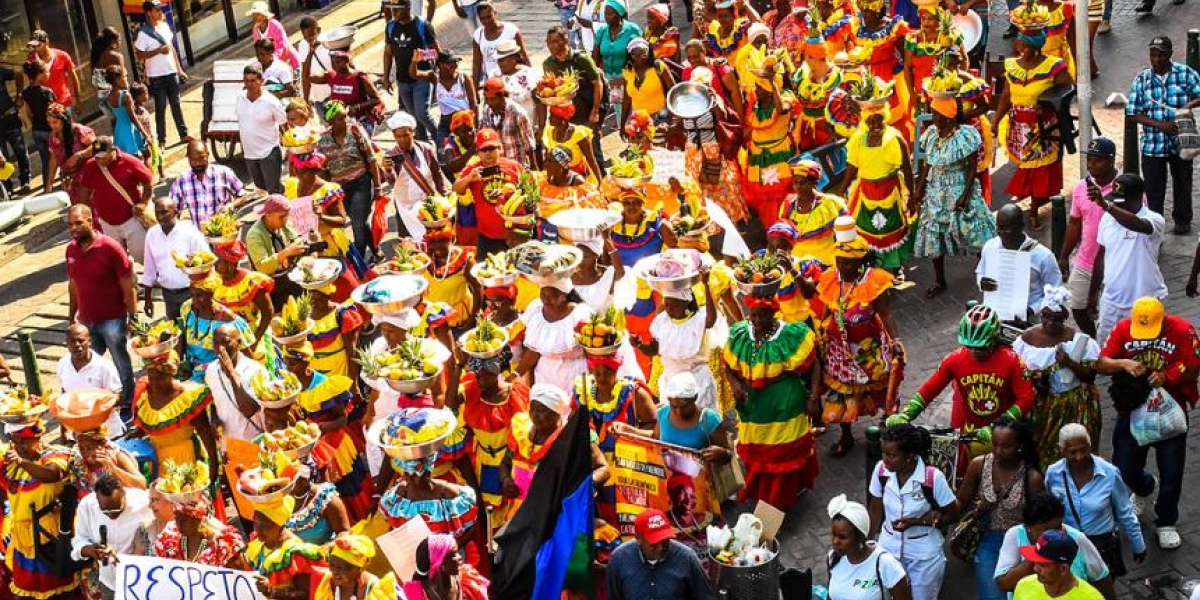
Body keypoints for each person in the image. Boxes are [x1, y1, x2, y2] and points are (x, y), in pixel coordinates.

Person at [1096, 297, 1199, 549]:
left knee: (1172, 471)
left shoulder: (1183, 330)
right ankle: (1143, 487)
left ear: (1163, 319)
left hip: (1169, 411)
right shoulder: (1122, 329)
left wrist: (1168, 375)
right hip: (1132, 409)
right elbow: (1100, 362)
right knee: (1124, 466)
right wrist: (1123, 363)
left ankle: (1166, 521)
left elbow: (1194, 366)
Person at [807, 221, 903, 455]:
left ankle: (889, 426)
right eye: (840, 261)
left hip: (868, 349)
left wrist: (896, 341)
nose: (843, 266)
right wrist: (820, 333)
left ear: (861, 261)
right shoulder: (831, 278)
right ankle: (846, 435)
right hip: (839, 349)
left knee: (878, 388)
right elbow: (827, 310)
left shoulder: (874, 281)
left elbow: (886, 314)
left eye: (849, 262)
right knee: (842, 392)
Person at [888, 305, 1036, 454]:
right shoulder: (955, 359)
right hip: (971, 433)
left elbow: (1026, 398)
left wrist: (997, 426)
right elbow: (930, 389)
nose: (973, 352)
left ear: (993, 340)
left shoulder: (1013, 360)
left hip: (1005, 437)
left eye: (979, 348)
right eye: (969, 346)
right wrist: (907, 414)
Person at [723, 293, 820, 511]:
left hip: (786, 404)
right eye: (753, 315)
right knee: (756, 451)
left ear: (773, 314)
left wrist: (813, 396)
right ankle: (759, 493)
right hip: (753, 407)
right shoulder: (740, 334)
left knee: (784, 452)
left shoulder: (790, 334)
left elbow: (814, 365)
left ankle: (779, 499)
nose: (756, 321)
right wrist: (735, 385)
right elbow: (728, 366)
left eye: (762, 316)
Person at [993, 13, 1071, 232]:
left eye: (1023, 43)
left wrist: (1047, 105)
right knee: (1026, 167)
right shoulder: (1011, 67)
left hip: (1041, 129)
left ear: (1034, 47)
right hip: (1018, 126)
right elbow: (1006, 97)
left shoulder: (1055, 67)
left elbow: (1066, 91)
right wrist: (995, 120)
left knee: (1039, 170)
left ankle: (1034, 210)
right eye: (1019, 42)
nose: (1018, 47)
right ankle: (1034, 201)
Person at [955, 417, 1047, 600]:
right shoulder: (979, 465)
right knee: (992, 595)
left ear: (1020, 445)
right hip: (988, 540)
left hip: (1020, 543)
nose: (998, 451)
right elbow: (960, 502)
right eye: (994, 444)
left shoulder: (1032, 478)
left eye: (1006, 446)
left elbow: (1040, 520)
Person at [1013, 287, 1101, 466]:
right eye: (1046, 316)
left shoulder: (1079, 340)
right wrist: (1037, 381)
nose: (1051, 322)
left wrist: (1069, 363)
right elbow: (1018, 374)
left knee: (1077, 453)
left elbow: (1090, 376)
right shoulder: (1025, 340)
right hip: (1043, 407)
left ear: (1065, 318)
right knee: (1044, 452)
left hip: (1076, 405)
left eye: (1057, 318)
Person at [1045, 424, 1146, 578]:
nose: (1079, 457)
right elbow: (1049, 509)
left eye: (1083, 450)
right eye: (1072, 452)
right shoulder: (1053, 473)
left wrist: (1138, 544)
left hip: (1101, 546)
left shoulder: (1109, 473)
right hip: (1068, 546)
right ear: (1061, 449)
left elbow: (1125, 512)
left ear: (1090, 446)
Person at [867, 425, 955, 600]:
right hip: (888, 549)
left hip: (923, 556)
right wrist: (868, 541)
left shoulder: (932, 478)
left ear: (910, 455)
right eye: (883, 453)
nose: (885, 460)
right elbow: (875, 509)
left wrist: (919, 521)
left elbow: (953, 514)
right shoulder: (881, 471)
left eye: (892, 455)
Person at [66, 205, 137, 412]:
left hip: (112, 319)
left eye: (78, 223)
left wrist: (133, 316)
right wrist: (71, 316)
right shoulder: (71, 249)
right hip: (86, 321)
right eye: (70, 224)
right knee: (89, 366)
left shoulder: (111, 247)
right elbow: (73, 284)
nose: (74, 228)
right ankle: (94, 404)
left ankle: (127, 402)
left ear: (90, 220)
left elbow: (127, 284)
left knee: (120, 362)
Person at [1126, 36, 1200, 233]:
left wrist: (1186, 106)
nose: (1157, 59)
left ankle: (1183, 221)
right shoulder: (1142, 80)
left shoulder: (1185, 73)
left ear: (1170, 55)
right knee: (1153, 190)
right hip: (1153, 144)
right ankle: (1155, 225)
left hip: (1181, 142)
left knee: (1183, 183)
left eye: (1161, 55)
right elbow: (1133, 113)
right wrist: (1161, 125)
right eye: (1153, 54)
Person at [0, 419, 80, 600]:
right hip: (22, 542)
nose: (19, 445)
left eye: (24, 441)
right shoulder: (10, 463)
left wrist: (22, 462)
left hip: (50, 539)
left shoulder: (56, 454)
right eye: (15, 440)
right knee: (27, 590)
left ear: (39, 437)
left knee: (60, 589)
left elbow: (52, 475)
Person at [1085, 174, 1166, 343]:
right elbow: (1101, 255)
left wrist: (1107, 206)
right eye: (1115, 201)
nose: (1117, 204)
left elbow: (1140, 225)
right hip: (1111, 303)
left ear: (1139, 198)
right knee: (1107, 351)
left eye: (1123, 202)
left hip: (1144, 302)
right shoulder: (1108, 218)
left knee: (1144, 351)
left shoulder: (1154, 219)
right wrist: (1092, 294)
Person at [995, 492, 1115, 600]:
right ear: (1028, 527)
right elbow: (1004, 584)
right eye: (1045, 530)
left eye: (1058, 527)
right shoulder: (1023, 586)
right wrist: (1039, 556)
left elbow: (1102, 579)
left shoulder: (1078, 539)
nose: (1055, 533)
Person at [132, 349, 220, 486]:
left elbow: (206, 435)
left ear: (171, 374)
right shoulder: (146, 394)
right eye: (151, 378)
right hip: (157, 459)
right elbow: (157, 423)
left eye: (160, 379)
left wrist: (214, 467)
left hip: (186, 459)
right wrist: (141, 430)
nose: (154, 384)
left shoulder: (188, 398)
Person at [1058, 137, 1118, 338]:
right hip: (1085, 261)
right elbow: (1075, 222)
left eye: (1097, 160)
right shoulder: (1081, 188)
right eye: (1089, 160)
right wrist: (1064, 255)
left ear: (1110, 161)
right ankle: (1093, 340)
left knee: (1109, 313)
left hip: (1113, 263)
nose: (1091, 165)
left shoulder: (1124, 187)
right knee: (1077, 307)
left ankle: (1108, 345)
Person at [71, 473, 152, 600]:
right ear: (96, 499)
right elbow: (78, 541)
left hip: (140, 582)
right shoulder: (87, 506)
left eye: (117, 509)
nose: (111, 515)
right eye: (105, 511)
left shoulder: (144, 502)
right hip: (109, 583)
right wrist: (90, 550)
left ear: (124, 494)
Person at [978, 205, 1063, 323]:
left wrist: (1031, 310)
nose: (1001, 233)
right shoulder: (990, 247)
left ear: (1021, 226)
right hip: (996, 316)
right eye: (999, 227)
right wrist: (981, 282)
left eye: (1006, 228)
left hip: (1031, 320)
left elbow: (1055, 292)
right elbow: (980, 271)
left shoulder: (1043, 256)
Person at [605, 509, 714, 600]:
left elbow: (705, 596)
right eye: (653, 544)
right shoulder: (619, 559)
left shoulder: (687, 558)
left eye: (665, 540)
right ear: (638, 538)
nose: (661, 548)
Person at [77, 136, 154, 264]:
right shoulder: (91, 166)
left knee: (143, 256)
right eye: (97, 157)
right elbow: (84, 191)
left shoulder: (129, 161)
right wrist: (84, 216)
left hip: (131, 220)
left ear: (113, 151)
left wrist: (144, 203)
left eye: (103, 156)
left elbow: (148, 181)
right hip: (108, 224)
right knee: (118, 261)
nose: (100, 160)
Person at [542, 26, 607, 167]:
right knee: (566, 156)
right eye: (549, 42)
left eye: (555, 41)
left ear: (565, 40)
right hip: (564, 119)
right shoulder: (548, 64)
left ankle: (601, 182)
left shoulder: (582, 59)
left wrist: (595, 112)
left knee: (593, 153)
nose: (552, 46)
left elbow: (598, 83)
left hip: (586, 114)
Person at [828, 494, 913, 600]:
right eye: (833, 534)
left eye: (842, 537)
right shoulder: (833, 558)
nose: (835, 541)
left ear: (860, 537)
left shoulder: (885, 563)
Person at [451, 128, 522, 256]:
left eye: (492, 148)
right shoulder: (472, 169)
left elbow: (528, 192)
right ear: (477, 152)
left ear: (500, 148)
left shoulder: (514, 166)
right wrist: (468, 179)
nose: (488, 153)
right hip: (487, 236)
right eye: (484, 150)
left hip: (515, 233)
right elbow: (456, 188)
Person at [743, 66, 796, 229]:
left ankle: (784, 228)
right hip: (758, 157)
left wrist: (773, 84)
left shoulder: (785, 98)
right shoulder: (757, 104)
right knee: (762, 196)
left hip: (778, 155)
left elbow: (781, 110)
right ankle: (771, 230)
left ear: (768, 91)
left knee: (779, 193)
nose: (755, 91)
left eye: (759, 88)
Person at [141, 197, 210, 319]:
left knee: (195, 333)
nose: (160, 217)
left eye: (164, 212)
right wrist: (147, 300)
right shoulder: (151, 235)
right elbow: (149, 270)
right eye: (157, 213)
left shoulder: (190, 233)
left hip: (192, 293)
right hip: (168, 296)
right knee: (176, 331)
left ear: (176, 212)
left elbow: (207, 263)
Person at [132, 1, 189, 148]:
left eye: (160, 9)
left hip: (171, 71)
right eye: (157, 10)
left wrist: (179, 69)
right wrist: (158, 51)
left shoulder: (164, 26)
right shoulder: (143, 32)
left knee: (176, 104)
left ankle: (183, 134)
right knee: (160, 107)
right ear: (149, 12)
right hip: (156, 75)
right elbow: (139, 55)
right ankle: (162, 140)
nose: (160, 12)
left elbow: (172, 49)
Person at [383, 0, 440, 142]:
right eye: (392, 9)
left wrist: (421, 57)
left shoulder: (423, 26)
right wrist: (386, 77)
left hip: (422, 78)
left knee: (422, 113)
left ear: (408, 8)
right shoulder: (390, 27)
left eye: (397, 9)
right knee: (413, 118)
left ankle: (439, 138)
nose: (393, 12)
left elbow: (435, 52)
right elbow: (388, 53)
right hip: (402, 80)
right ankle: (423, 146)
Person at [385, 111, 448, 240]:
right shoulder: (391, 154)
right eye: (398, 136)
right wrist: (387, 169)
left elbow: (436, 173)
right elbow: (391, 180)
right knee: (410, 242)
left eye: (406, 135)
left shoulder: (425, 149)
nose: (402, 140)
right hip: (405, 206)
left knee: (434, 238)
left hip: (428, 202)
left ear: (413, 132)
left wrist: (443, 194)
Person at [57, 324, 126, 436]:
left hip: (109, 433)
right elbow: (64, 394)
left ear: (89, 342)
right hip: (80, 434)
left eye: (81, 341)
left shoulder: (104, 366)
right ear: (66, 344)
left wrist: (95, 407)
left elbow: (119, 397)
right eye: (72, 341)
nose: (77, 345)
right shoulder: (62, 364)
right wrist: (64, 428)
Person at [245, 194, 309, 308]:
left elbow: (296, 239)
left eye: (287, 215)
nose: (286, 219)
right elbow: (263, 267)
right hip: (272, 288)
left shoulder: (283, 224)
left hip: (291, 280)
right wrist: (287, 251)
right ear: (268, 215)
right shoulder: (254, 236)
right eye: (282, 216)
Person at [154, 496, 246, 567]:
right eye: (177, 517)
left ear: (199, 518)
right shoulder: (169, 539)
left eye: (185, 519)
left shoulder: (224, 546)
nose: (179, 523)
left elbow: (241, 579)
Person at [1012, 530, 1106, 600]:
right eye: (1035, 562)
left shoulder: (1092, 597)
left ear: (1063, 569)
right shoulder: (1023, 586)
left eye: (1043, 565)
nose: (1036, 568)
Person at [237, 64, 287, 194]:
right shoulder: (239, 98)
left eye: (253, 81)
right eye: (246, 81)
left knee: (273, 190)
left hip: (269, 152)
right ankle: (284, 192)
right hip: (249, 153)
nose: (249, 84)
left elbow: (284, 122)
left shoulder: (271, 101)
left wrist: (289, 142)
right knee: (260, 184)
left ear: (261, 81)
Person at [314, 534, 405, 600]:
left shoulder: (378, 592)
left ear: (359, 568)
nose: (333, 571)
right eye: (332, 565)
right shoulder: (327, 585)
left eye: (341, 568)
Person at [478, 78, 537, 168]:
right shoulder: (487, 110)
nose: (490, 103)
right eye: (487, 99)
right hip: (498, 166)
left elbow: (528, 144)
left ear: (501, 97)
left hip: (517, 165)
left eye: (493, 99)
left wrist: (534, 167)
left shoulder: (517, 112)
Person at [410, 534, 489, 600]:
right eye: (454, 554)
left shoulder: (468, 578)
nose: (460, 557)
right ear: (439, 565)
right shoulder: (421, 595)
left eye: (457, 552)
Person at [621, 38, 675, 132]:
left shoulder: (658, 67)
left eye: (643, 55)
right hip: (638, 120)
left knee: (658, 145)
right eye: (635, 56)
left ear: (649, 53)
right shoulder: (627, 71)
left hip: (660, 117)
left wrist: (671, 117)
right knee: (639, 146)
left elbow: (674, 92)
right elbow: (626, 98)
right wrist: (622, 124)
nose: (639, 59)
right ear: (630, 55)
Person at [472, 2, 529, 84]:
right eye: (483, 18)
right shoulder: (478, 35)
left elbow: (523, 55)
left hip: (515, 78)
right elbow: (476, 63)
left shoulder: (511, 30)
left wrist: (530, 74)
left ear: (495, 13)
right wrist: (474, 86)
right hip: (493, 80)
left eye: (489, 16)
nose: (487, 21)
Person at [24, 29, 80, 114]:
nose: (36, 49)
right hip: (45, 109)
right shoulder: (31, 60)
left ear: (46, 42)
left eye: (38, 45)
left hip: (64, 104)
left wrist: (78, 100)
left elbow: (74, 78)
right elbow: (31, 84)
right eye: (33, 46)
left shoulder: (62, 56)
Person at [102, 66, 152, 162]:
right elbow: (133, 117)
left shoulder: (108, 96)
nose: (126, 79)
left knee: (129, 158)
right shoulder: (125, 96)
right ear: (117, 80)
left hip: (119, 129)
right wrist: (145, 134)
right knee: (144, 155)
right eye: (124, 76)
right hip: (130, 129)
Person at [0, 63, 32, 195]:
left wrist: (19, 95)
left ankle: (25, 181)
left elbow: (18, 74)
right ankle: (8, 188)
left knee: (20, 150)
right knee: (2, 158)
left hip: (10, 117)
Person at [247, 1, 301, 69]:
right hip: (268, 62)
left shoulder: (275, 25)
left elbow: (282, 45)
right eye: (253, 15)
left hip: (288, 60)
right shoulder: (255, 29)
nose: (255, 17)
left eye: (258, 14)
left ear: (264, 15)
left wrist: (273, 59)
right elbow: (257, 47)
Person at [296, 17, 332, 105]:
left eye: (312, 35)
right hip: (319, 98)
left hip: (334, 93)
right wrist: (306, 99)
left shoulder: (329, 41)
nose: (309, 40)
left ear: (318, 30)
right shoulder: (303, 45)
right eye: (305, 37)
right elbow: (305, 75)